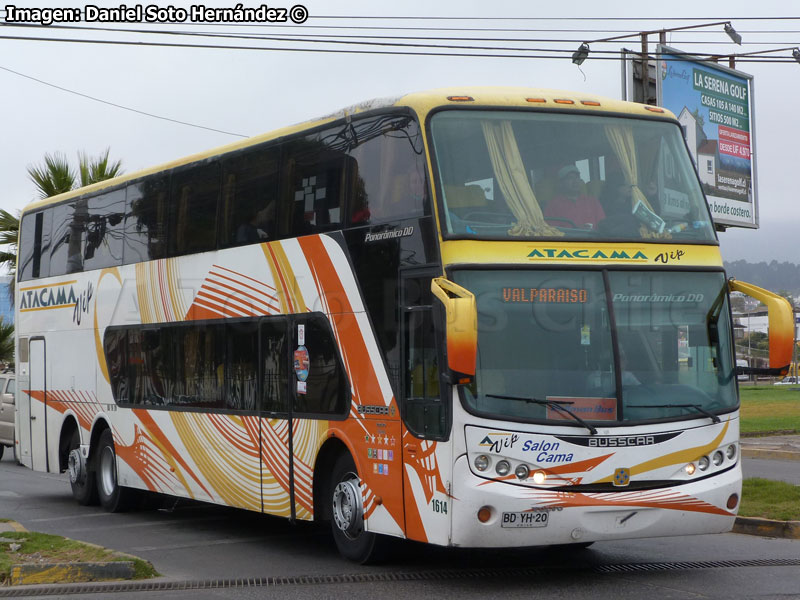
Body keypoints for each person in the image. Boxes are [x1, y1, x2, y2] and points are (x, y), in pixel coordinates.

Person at [543, 165, 605, 229]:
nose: (575, 181)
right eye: (570, 178)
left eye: (577, 178)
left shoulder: (592, 201)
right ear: (561, 183)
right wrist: (577, 229)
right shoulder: (553, 205)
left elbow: (603, 225)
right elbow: (553, 231)